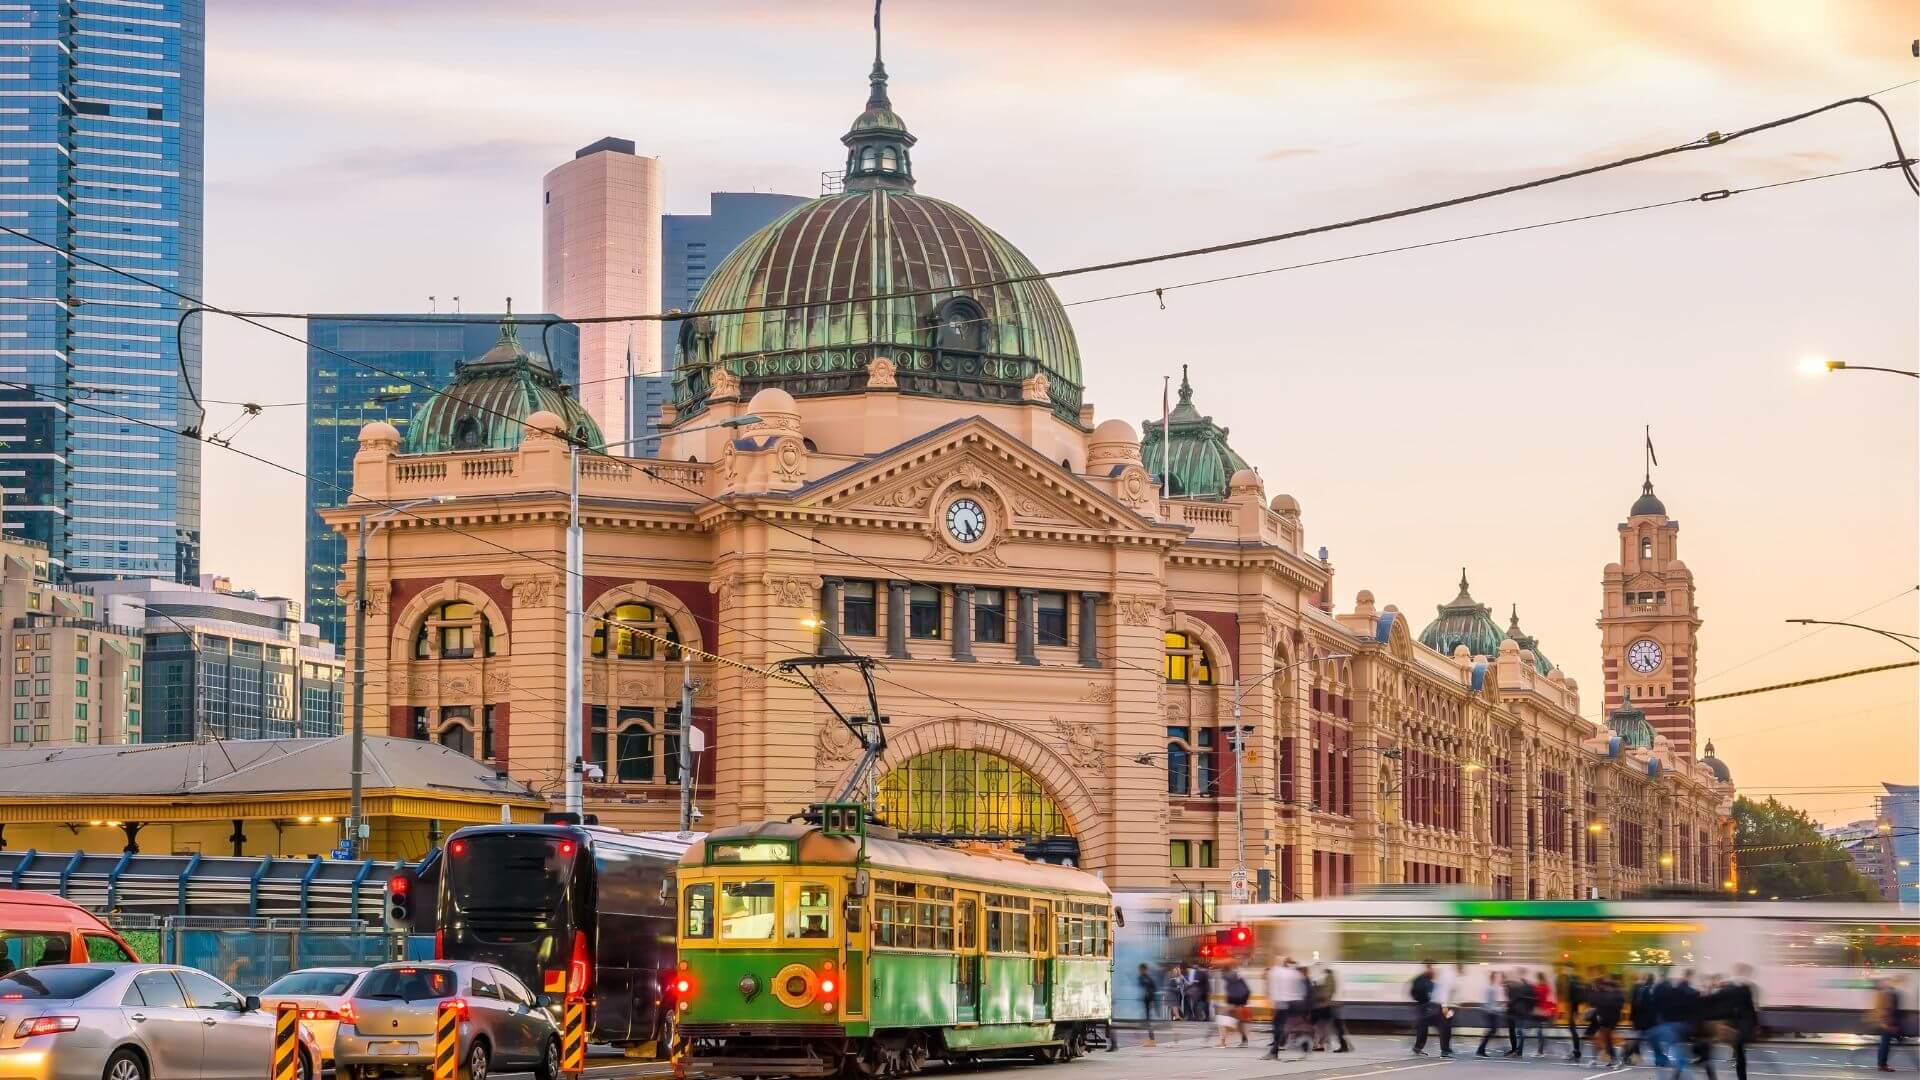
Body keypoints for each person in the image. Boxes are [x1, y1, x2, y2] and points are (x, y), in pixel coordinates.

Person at [1702, 965, 1759, 1080]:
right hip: (1733, 1024)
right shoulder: (1744, 988)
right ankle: (1741, 1077)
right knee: (1739, 1052)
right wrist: (1754, 1025)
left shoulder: (1731, 987)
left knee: (1711, 1049)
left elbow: (1711, 1000)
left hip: (1728, 1024)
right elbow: (1750, 1008)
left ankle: (1713, 1073)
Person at [1265, 956, 1310, 1060]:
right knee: (1296, 1026)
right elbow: (1302, 990)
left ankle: (1274, 1052)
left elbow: (1273, 988)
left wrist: (1275, 1002)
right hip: (1296, 1003)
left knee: (1278, 1028)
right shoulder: (1295, 973)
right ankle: (1304, 1047)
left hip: (1283, 1003)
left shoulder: (1276, 971)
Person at [1412, 959, 1453, 1057]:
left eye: (1433, 966)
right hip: (1428, 1007)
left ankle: (1445, 1049)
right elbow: (1414, 993)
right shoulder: (1421, 979)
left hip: (1437, 1006)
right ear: (1426, 967)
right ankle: (1444, 1050)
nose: (1433, 969)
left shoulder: (1436, 980)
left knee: (1444, 1026)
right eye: (1430, 966)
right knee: (1430, 1028)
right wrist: (1423, 1001)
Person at [1588, 974, 1626, 1068]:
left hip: (1608, 1019)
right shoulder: (1614, 993)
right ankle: (1613, 1059)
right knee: (1606, 1039)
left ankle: (1616, 1059)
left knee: (1607, 1039)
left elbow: (1599, 1003)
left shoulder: (1611, 993)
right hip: (1608, 1018)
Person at [1313, 965, 1351, 1052]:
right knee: (1334, 1026)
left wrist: (1322, 998)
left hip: (1332, 1005)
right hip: (1332, 1004)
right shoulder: (1331, 976)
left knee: (1334, 1026)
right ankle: (1343, 1045)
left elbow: (1329, 992)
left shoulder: (1329, 977)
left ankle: (1343, 1046)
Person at [1868, 978, 1902, 1073]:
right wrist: (1886, 1024)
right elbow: (1882, 1010)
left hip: (1887, 1022)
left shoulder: (1882, 993)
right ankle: (1882, 1065)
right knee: (1885, 1044)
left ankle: (1882, 1064)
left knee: (1886, 1043)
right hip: (1886, 1023)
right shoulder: (1881, 994)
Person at [1505, 970, 1537, 1058]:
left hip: (1518, 1012)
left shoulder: (1521, 986)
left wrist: (1509, 1004)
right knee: (1518, 1032)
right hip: (1519, 1011)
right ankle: (1517, 1051)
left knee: (1519, 1032)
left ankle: (1517, 1052)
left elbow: (1515, 998)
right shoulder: (1523, 985)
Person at [1562, 964, 1589, 1062]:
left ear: (1570, 969)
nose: (1564, 970)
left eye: (1565, 968)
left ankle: (1576, 1052)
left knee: (1573, 1031)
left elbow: (1571, 998)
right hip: (1575, 1009)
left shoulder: (1571, 981)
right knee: (1573, 1031)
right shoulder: (1576, 980)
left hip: (1573, 1010)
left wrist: (1571, 1011)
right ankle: (1576, 1051)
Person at [1479, 969, 1509, 1057]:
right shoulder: (1490, 988)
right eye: (1496, 976)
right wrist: (1500, 1009)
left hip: (1491, 1011)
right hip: (1490, 1012)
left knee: (1493, 1030)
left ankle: (1481, 1049)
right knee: (1493, 1030)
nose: (1497, 978)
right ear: (1493, 977)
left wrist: (1499, 1007)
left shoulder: (1492, 987)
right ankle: (1481, 1049)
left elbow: (1492, 1002)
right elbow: (1489, 1003)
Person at [1220, 967, 1250, 1047]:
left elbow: (1240, 992)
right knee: (1238, 1023)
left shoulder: (1233, 979)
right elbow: (1246, 991)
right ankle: (1244, 1040)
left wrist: (1236, 1005)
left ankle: (1223, 1043)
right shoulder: (1235, 979)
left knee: (1222, 1018)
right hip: (1237, 1004)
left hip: (1236, 1004)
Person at [1531, 970, 1557, 1056]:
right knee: (1541, 1031)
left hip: (1540, 1011)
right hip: (1546, 1010)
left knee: (1539, 1032)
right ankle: (1543, 1050)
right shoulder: (1547, 986)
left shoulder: (1538, 987)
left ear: (1539, 978)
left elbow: (1536, 998)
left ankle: (1540, 1051)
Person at [1137, 963, 1159, 1047]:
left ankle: (1152, 1040)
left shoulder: (1145, 978)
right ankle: (1151, 1040)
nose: (1140, 971)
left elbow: (1152, 989)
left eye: (1141, 969)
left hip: (1147, 1001)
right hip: (1146, 1001)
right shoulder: (1147, 978)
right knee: (1146, 1021)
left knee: (1148, 1021)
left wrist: (1150, 1000)